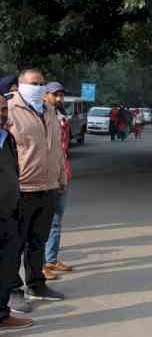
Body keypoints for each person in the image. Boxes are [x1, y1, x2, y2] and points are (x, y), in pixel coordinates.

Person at [6, 69, 66, 311]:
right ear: (20, 85)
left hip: (49, 186)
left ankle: (36, 284)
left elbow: (57, 148)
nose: (39, 87)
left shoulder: (49, 109)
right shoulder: (9, 110)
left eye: (42, 83)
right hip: (21, 188)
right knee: (14, 243)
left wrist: (61, 176)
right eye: (34, 83)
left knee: (38, 240)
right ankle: (12, 290)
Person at [0, 96, 34, 330]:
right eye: (0, 109)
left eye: (4, 109)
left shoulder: (7, 137)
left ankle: (2, 314)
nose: (3, 113)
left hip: (9, 213)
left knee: (8, 264)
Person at [42, 82, 74, 280]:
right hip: (45, 177)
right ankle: (41, 266)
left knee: (56, 222)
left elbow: (63, 148)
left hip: (63, 174)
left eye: (61, 95)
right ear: (45, 95)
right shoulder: (40, 116)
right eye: (56, 95)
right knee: (43, 223)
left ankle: (51, 260)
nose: (59, 98)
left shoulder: (60, 116)